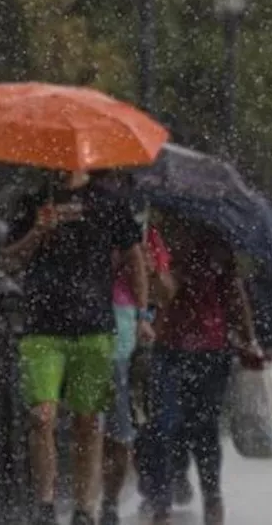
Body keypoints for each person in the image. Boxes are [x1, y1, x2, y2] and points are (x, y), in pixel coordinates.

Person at [1, 170, 148, 525]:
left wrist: (142, 314)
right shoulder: (33, 201)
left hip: (93, 326)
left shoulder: (108, 202)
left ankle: (84, 508)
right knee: (42, 416)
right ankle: (46, 505)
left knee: (88, 421)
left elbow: (134, 258)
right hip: (42, 328)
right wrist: (38, 230)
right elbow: (9, 260)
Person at [137, 217, 264, 525]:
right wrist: (154, 268)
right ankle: (163, 500)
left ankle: (210, 497)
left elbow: (233, 293)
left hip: (210, 348)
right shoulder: (157, 239)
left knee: (202, 428)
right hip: (171, 345)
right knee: (165, 425)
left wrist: (248, 339)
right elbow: (162, 294)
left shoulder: (215, 242)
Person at [101, 203, 177, 525]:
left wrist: (150, 269)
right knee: (95, 423)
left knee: (128, 423)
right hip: (87, 323)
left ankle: (117, 499)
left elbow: (166, 291)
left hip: (126, 331)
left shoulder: (147, 235)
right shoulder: (79, 220)